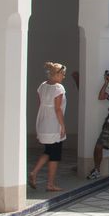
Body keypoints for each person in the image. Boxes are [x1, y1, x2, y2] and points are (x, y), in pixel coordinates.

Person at [29, 61, 67, 192]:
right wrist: (62, 126)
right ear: (56, 75)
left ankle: (34, 172)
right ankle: (50, 184)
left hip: (43, 120)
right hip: (53, 123)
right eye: (62, 74)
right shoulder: (58, 88)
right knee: (55, 154)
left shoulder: (43, 86)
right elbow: (58, 108)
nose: (63, 77)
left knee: (48, 150)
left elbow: (42, 103)